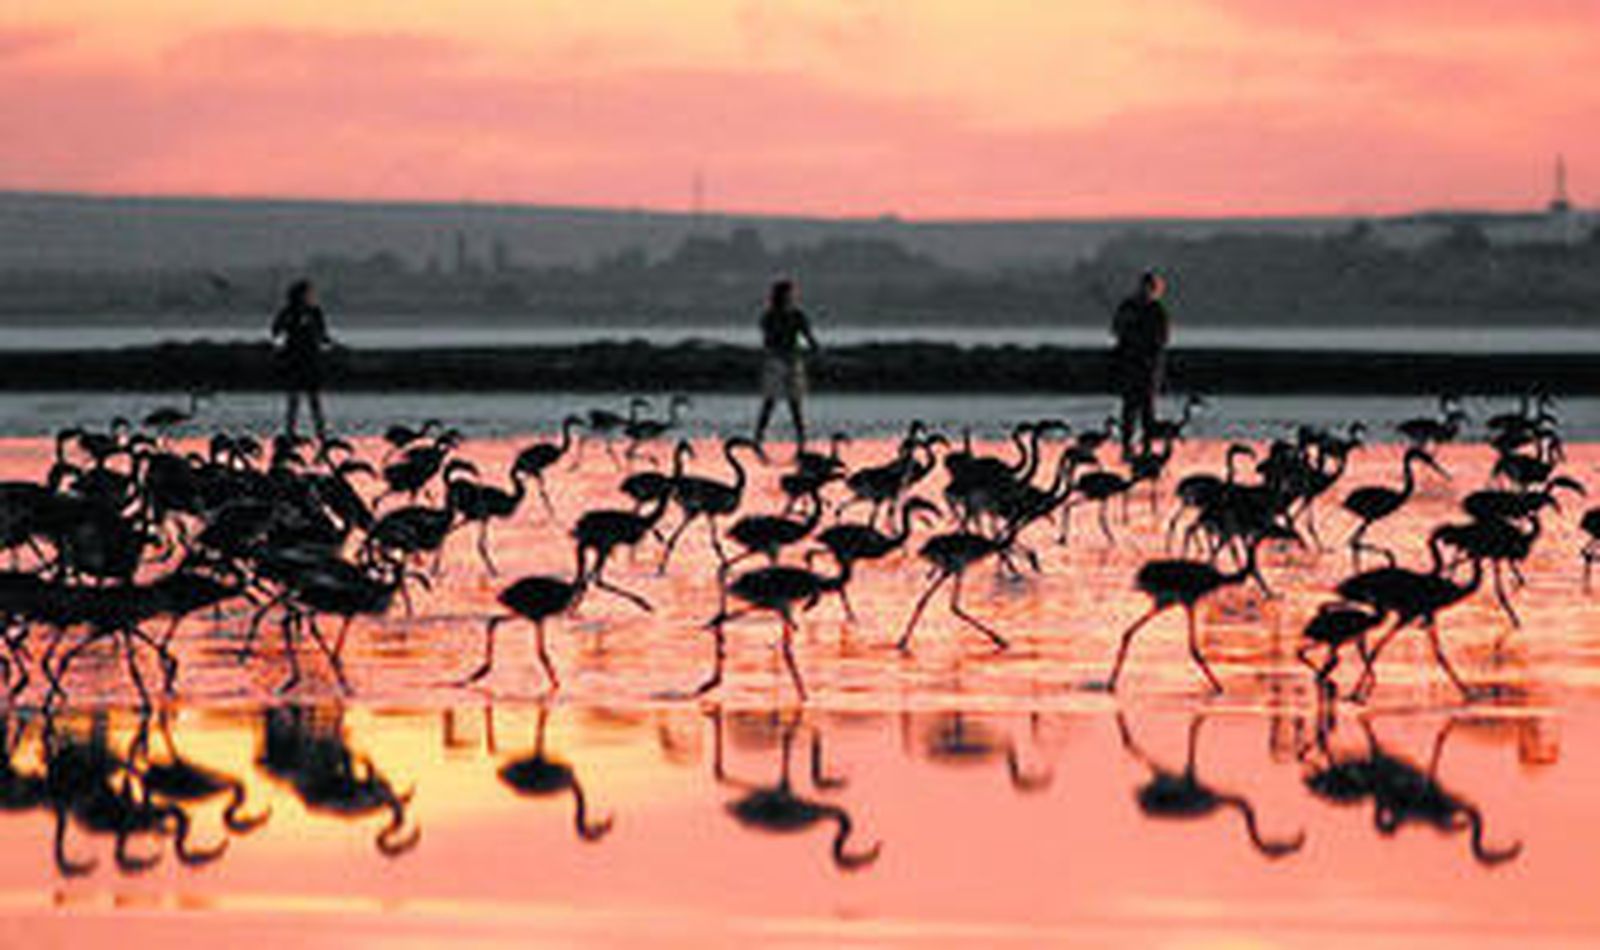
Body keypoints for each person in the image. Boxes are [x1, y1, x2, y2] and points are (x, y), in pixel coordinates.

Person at [753, 279, 819, 452]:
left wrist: (814, 348)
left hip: (789, 361)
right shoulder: (771, 317)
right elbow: (769, 340)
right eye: (789, 293)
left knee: (794, 403)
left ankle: (800, 437)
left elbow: (808, 337)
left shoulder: (796, 316)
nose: (792, 296)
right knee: (771, 401)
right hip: (778, 362)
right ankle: (760, 435)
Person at [1110, 270, 1171, 457]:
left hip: (1149, 367)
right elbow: (1116, 330)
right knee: (1129, 408)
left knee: (1147, 409)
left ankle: (1146, 445)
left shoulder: (1158, 311)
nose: (1147, 291)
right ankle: (1127, 444)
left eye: (1151, 287)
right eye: (1145, 286)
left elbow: (1161, 340)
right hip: (1130, 365)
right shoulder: (1128, 307)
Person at [270, 278, 332, 440]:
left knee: (314, 399)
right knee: (294, 399)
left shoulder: (314, 312)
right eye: (308, 293)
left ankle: (320, 432)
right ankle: (290, 431)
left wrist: (325, 342)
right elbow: (276, 331)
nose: (310, 296)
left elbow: (322, 333)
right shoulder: (288, 312)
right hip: (295, 358)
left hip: (310, 358)